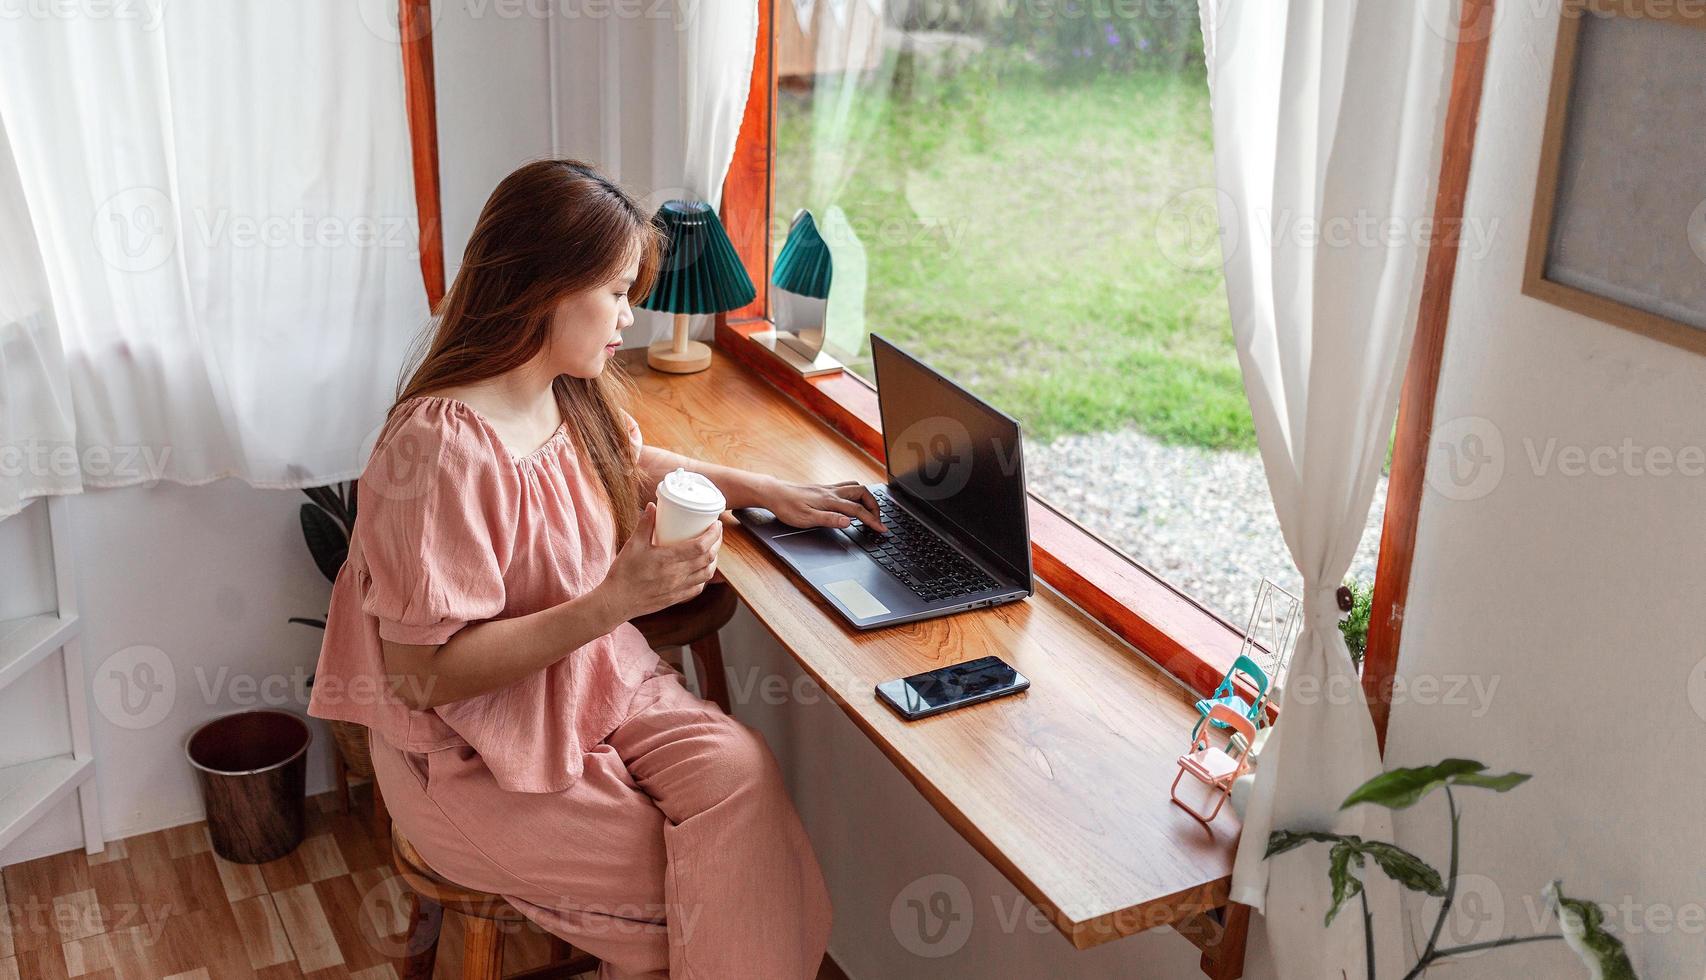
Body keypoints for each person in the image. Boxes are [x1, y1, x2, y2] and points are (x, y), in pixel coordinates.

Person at [309, 159, 886, 979]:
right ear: (545, 287)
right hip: (468, 757)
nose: (631, 313)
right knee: (707, 890)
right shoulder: (438, 450)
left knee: (741, 780)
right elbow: (421, 678)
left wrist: (769, 492)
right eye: (616, 292)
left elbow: (633, 460)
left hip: (596, 683)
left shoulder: (567, 387)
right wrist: (615, 600)